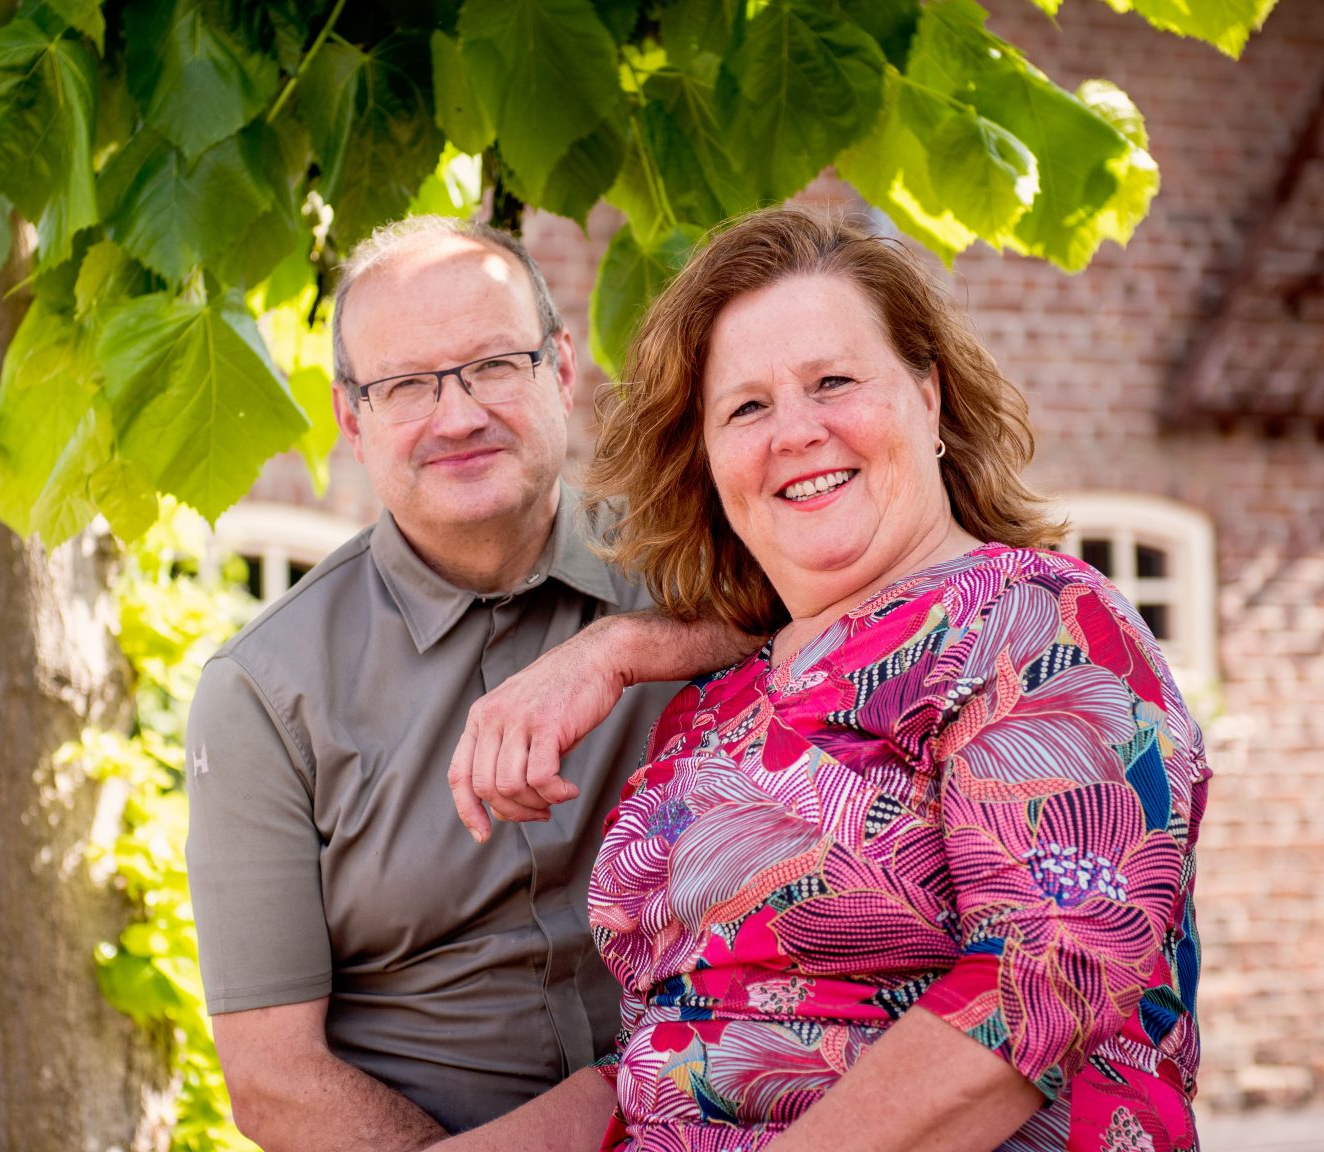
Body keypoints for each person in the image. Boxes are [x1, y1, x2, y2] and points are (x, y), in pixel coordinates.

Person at [444, 206, 1209, 1152]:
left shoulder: (1035, 625)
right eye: (747, 407)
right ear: (711, 461)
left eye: (833, 382)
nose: (797, 432)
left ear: (928, 398)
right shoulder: (713, 706)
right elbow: (675, 1053)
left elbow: (1044, 981)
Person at [183, 217, 753, 1150]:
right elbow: (275, 1082)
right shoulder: (263, 695)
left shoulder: (695, 562)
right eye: (406, 384)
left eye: (494, 365)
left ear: (560, 371)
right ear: (352, 419)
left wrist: (618, 649)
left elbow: (855, 605)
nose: (457, 416)